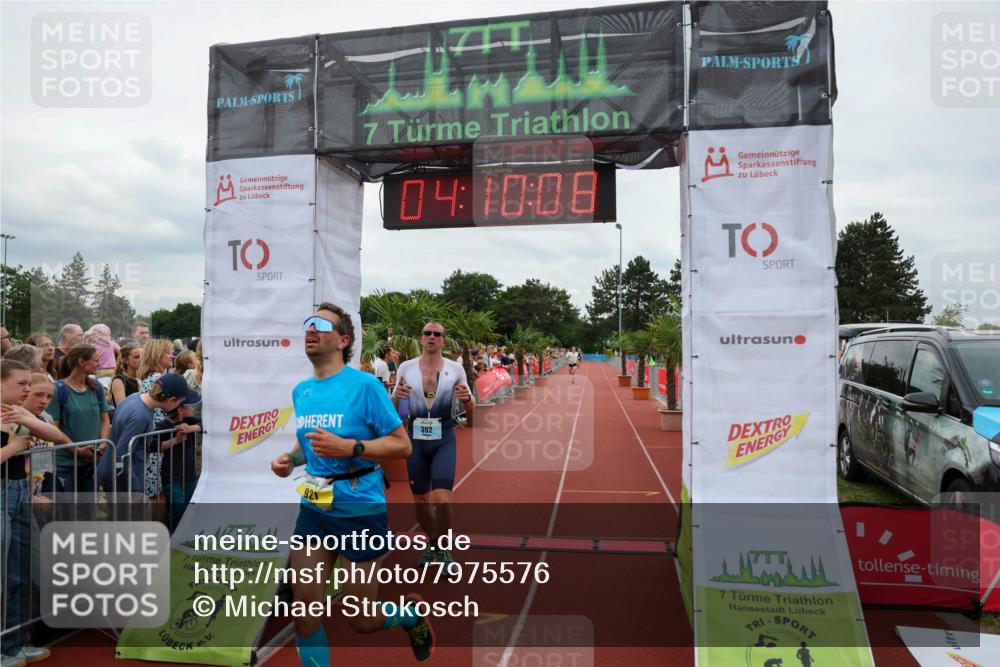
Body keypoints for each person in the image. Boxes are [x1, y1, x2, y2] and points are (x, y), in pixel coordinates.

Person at [269, 303, 433, 666]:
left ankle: (407, 614)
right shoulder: (303, 391)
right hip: (315, 505)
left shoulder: (365, 387)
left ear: (343, 340)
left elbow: (401, 445)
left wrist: (352, 447)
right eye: (306, 324)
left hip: (360, 508)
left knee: (361, 620)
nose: (310, 331)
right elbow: (307, 443)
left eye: (320, 326)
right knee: (305, 610)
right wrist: (290, 459)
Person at [392, 321, 473, 565]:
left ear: (443, 341)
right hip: (415, 438)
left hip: (443, 438)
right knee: (421, 500)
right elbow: (394, 410)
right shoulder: (406, 368)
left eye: (437, 334)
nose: (431, 337)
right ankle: (435, 546)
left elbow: (471, 410)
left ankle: (440, 548)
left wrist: (468, 400)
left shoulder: (456, 368)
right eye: (427, 333)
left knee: (444, 500)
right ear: (421, 337)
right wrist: (395, 398)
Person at [2, 359, 65, 667]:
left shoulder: (17, 412)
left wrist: (27, 419)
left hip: (18, 494)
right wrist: (14, 446)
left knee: (22, 572)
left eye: (31, 384)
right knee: (6, 574)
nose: (28, 390)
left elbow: (59, 439)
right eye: (22, 384)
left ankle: (14, 643)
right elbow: (16, 446)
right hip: (4, 494)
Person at [96, 374, 194, 503]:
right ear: (171, 400)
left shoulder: (134, 397)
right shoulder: (140, 416)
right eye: (179, 402)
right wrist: (135, 489)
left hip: (113, 474)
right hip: (122, 481)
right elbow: (121, 456)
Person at [46, 344, 111, 493]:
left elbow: (105, 420)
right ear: (82, 362)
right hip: (65, 464)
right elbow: (53, 429)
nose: (99, 364)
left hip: (91, 464)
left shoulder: (96, 388)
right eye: (95, 360)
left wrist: (102, 443)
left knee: (87, 510)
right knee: (66, 512)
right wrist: (76, 450)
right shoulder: (57, 390)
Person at [158, 390, 202, 531]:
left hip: (189, 477)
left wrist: (191, 428)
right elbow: (154, 446)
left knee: (189, 511)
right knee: (177, 511)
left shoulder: (190, 421)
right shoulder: (163, 425)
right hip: (172, 478)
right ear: (181, 409)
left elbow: (207, 424)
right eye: (191, 406)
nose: (194, 408)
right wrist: (175, 440)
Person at [110, 342, 142, 409]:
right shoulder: (119, 380)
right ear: (126, 360)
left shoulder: (138, 379)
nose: (141, 359)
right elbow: (123, 408)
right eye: (136, 357)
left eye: (142, 356)